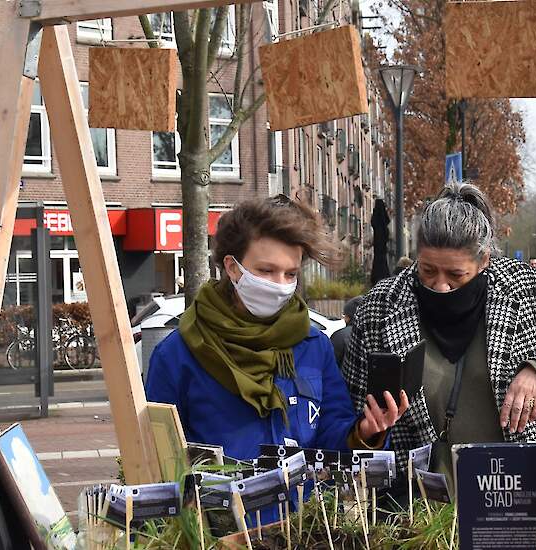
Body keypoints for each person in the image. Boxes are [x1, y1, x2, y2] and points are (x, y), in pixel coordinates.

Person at [146, 195, 409, 467]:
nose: (279, 284)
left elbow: (331, 436)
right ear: (233, 268)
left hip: (300, 507)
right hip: (220, 507)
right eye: (266, 270)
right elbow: (162, 462)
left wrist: (364, 432)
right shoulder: (178, 354)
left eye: (290, 274)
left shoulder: (313, 345)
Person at [341, 183, 536, 482]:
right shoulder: (380, 308)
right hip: (416, 509)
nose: (440, 286)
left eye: (456, 275)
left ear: (484, 260)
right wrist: (370, 433)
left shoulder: (530, 291)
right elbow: (351, 419)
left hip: (516, 496)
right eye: (428, 271)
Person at [330, 296, 363, 368]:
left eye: (344, 315)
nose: (344, 318)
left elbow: (330, 365)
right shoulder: (376, 334)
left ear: (349, 317)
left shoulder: (340, 336)